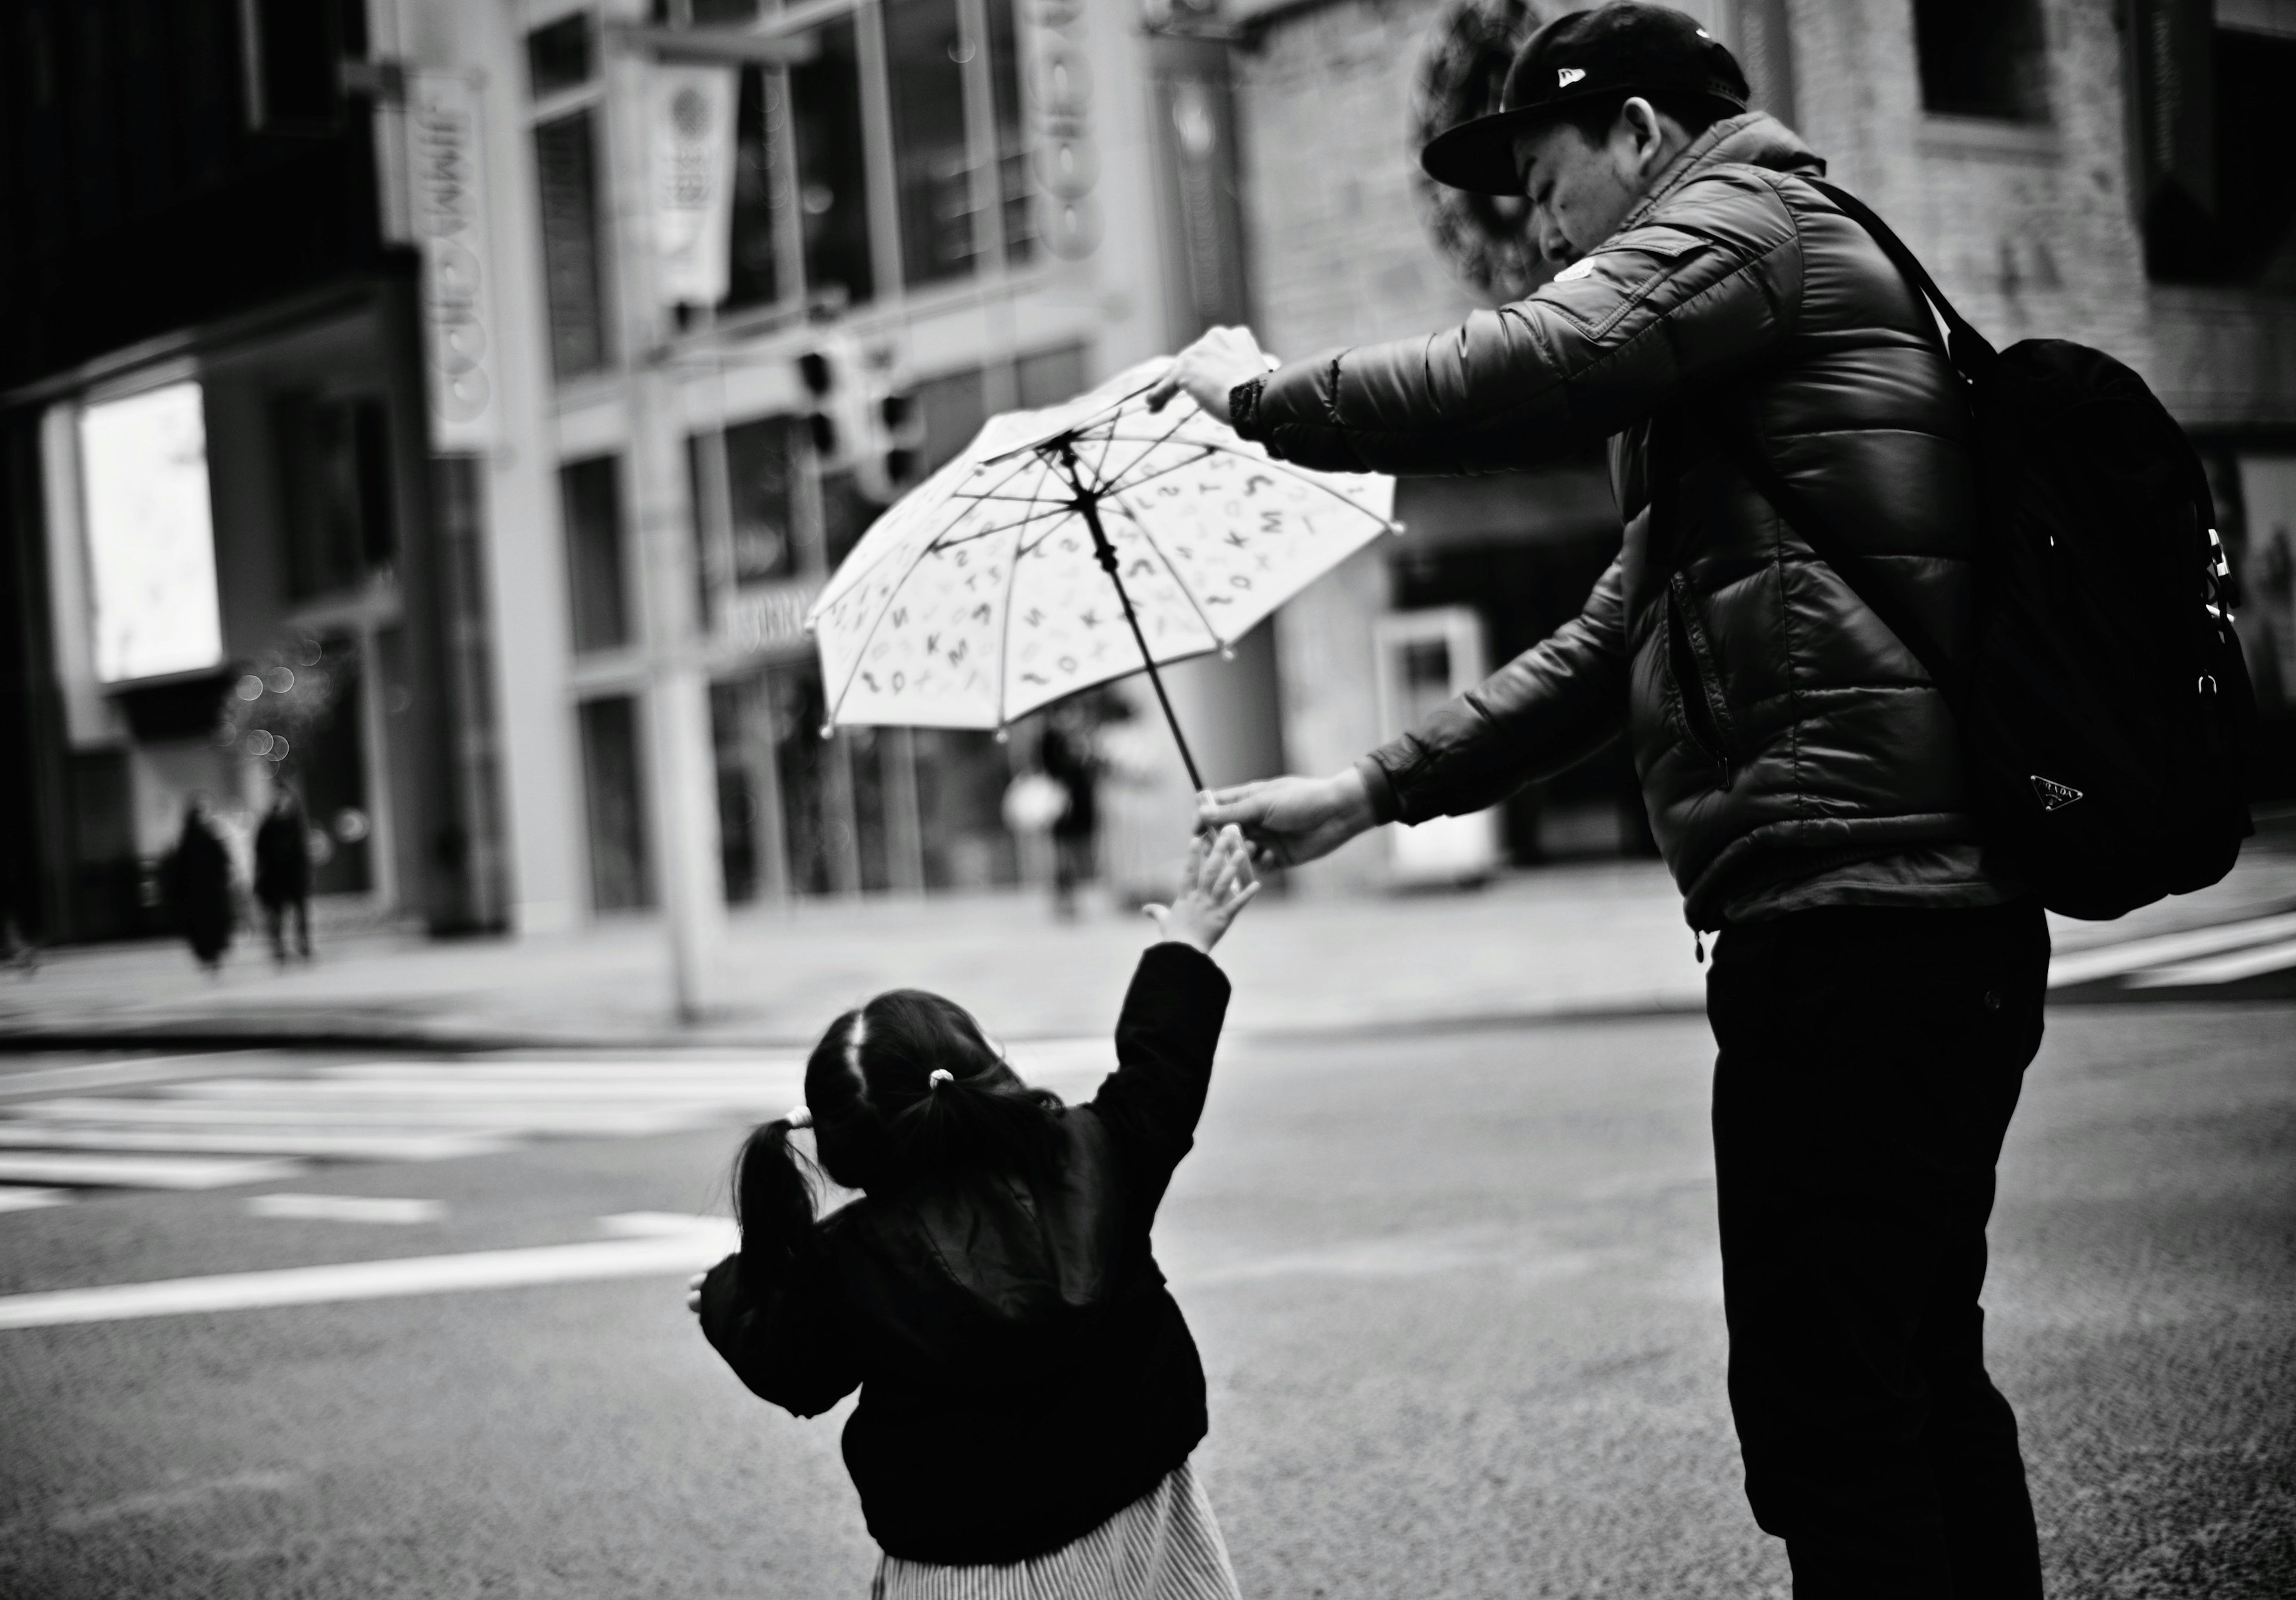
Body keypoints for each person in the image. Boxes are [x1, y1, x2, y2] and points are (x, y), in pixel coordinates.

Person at [1150, 6, 2049, 1596]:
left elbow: (1537, 357)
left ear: (1636, 134)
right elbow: (1601, 643)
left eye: (1540, 171)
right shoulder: (1731, 361)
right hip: (1880, 915)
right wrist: (1362, 790)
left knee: (1834, 1413)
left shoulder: (1746, 221)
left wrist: (1262, 398)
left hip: (1857, 914)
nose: (1527, 217)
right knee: (1905, 1378)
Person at [692, 826, 1261, 1599]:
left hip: (966, 1565)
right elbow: (1163, 1064)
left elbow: (791, 1366)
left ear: (844, 1148)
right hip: (1143, 1518)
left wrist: (723, 1297)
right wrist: (1186, 944)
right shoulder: (1094, 1154)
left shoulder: (848, 1260)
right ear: (983, 1071)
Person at [1039, 702, 1103, 919]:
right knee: (1063, 852)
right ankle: (1065, 897)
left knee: (1079, 850)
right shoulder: (1051, 740)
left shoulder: (1082, 738)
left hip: (1080, 803)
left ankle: (1076, 895)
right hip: (1062, 805)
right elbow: (1051, 770)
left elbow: (1090, 770)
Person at [163, 794, 234, 973]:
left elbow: (224, 861)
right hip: (196, 894)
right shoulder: (188, 840)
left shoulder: (212, 837)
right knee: (200, 927)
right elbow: (179, 870)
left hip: (213, 892)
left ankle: (214, 955)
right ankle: (206, 955)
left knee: (214, 924)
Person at [253, 780, 313, 964]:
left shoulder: (297, 822)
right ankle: (278, 946)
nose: (281, 800)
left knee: (300, 912)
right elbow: (259, 852)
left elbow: (302, 851)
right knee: (276, 915)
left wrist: (305, 874)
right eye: (277, 796)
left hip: (294, 876)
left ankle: (302, 944)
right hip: (274, 877)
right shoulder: (267, 824)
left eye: (284, 796)